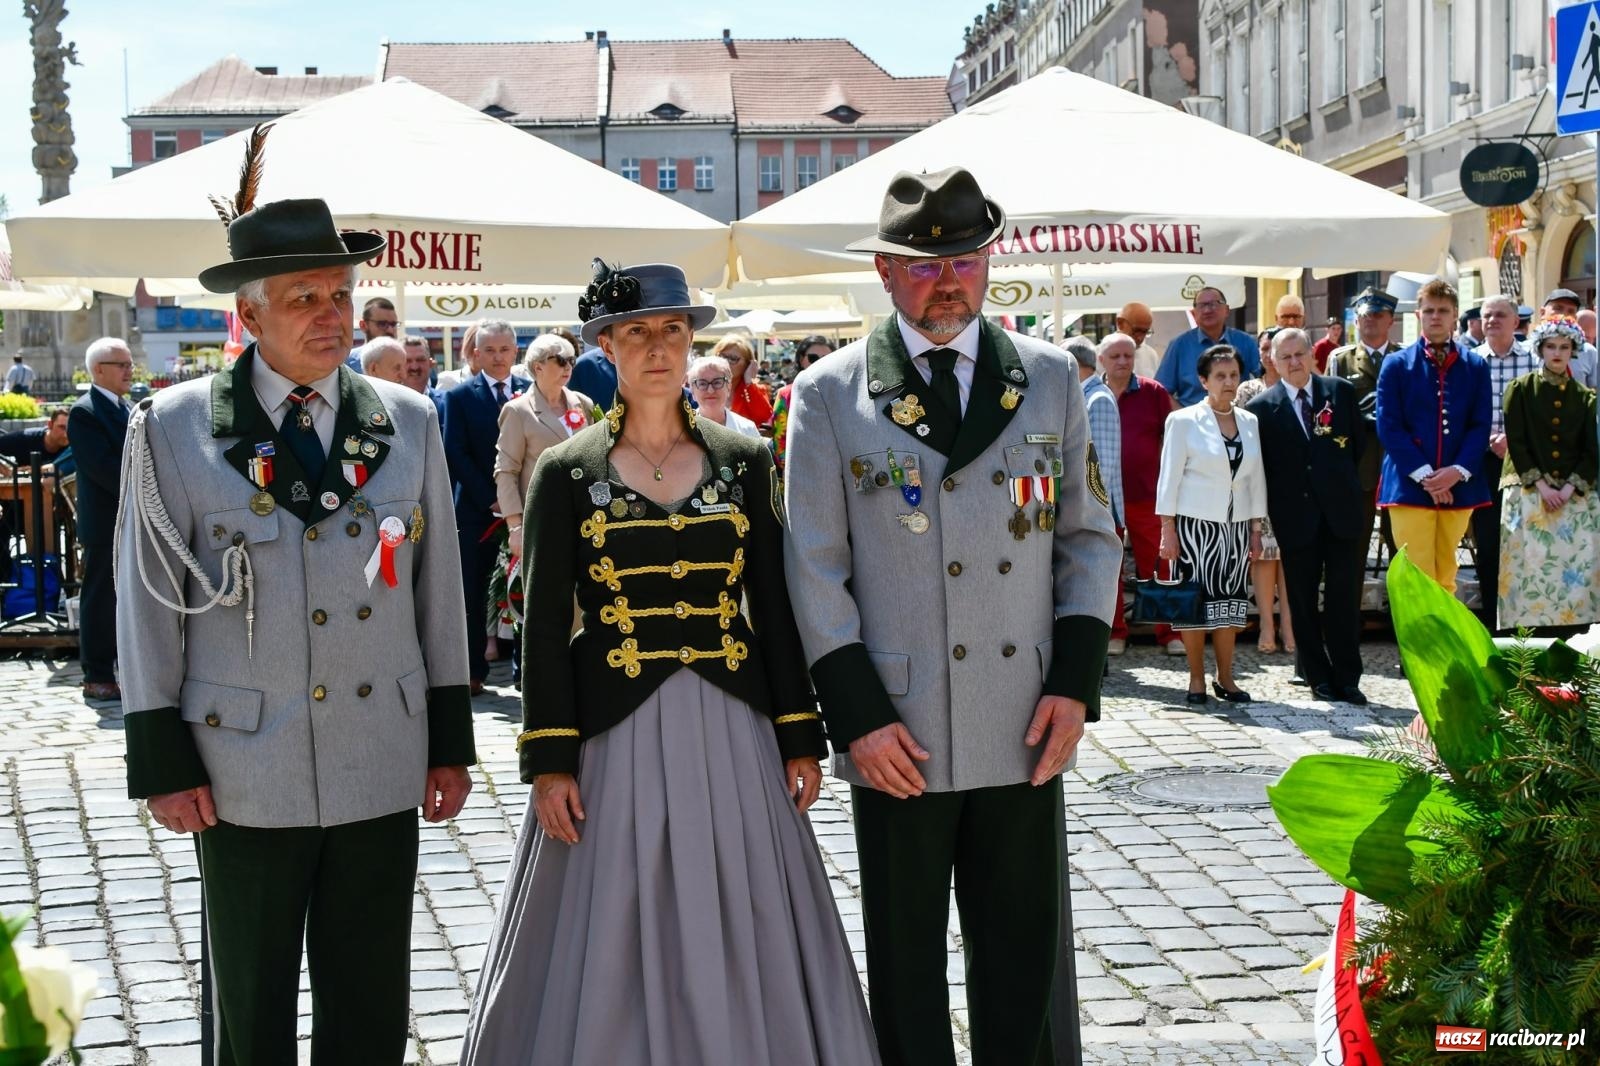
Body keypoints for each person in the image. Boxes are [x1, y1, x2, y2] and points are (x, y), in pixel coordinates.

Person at [461, 261, 878, 1066]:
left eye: (673, 332)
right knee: (614, 911)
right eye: (639, 333)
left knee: (745, 905)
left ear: (691, 345)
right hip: (610, 727)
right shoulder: (566, 470)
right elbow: (542, 626)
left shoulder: (742, 457)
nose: (658, 348)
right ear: (607, 346)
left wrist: (800, 733)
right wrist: (549, 761)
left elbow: (775, 602)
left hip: (733, 724)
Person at [117, 191, 474, 1065]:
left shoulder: (408, 420)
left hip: (376, 753)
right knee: (252, 1003)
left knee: (369, 1001)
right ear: (249, 314)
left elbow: (439, 594)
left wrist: (449, 738)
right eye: (303, 298)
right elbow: (148, 598)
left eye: (340, 295)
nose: (331, 316)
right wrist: (159, 753)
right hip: (242, 763)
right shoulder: (176, 425)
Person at [784, 166, 1121, 1066]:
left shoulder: (1050, 378)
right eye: (925, 265)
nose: (948, 282)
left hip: (1024, 716)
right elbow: (814, 569)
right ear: (887, 272)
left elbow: (1089, 540)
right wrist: (858, 718)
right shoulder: (828, 394)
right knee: (905, 968)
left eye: (965, 262)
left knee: (1022, 960)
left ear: (990, 263)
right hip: (900, 730)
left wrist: (1074, 690)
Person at [1245, 328, 1368, 703]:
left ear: (1312, 355)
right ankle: (1318, 677)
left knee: (1344, 598)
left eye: (1300, 354)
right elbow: (1261, 468)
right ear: (1274, 362)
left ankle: (1348, 677)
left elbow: (1360, 449)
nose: (1294, 363)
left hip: (1343, 513)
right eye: (1286, 358)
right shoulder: (1261, 409)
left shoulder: (1340, 392)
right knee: (1301, 599)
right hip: (1295, 517)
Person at [1156, 346, 1267, 704]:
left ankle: (1227, 678)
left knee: (1230, 605)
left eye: (1234, 375)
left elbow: (1256, 478)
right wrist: (1167, 529)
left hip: (1235, 528)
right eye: (1220, 376)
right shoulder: (1184, 421)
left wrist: (1255, 528)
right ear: (1204, 381)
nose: (1229, 382)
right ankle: (1196, 680)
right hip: (1193, 528)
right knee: (1195, 606)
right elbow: (1168, 477)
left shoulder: (1249, 422)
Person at [1375, 278, 1493, 592]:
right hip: (1409, 486)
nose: (1435, 316)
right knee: (1417, 575)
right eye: (1429, 310)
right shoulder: (1396, 365)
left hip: (1460, 485)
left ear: (1456, 315)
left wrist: (1456, 472)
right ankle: (1417, 643)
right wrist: (1427, 476)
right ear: (1418, 315)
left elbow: (1480, 424)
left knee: (1447, 576)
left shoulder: (1476, 365)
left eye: (1443, 310)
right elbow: (1389, 425)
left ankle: (1443, 641)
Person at [440, 319, 531, 694]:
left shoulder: (531, 393)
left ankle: (525, 669)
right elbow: (454, 452)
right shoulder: (459, 397)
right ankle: (474, 670)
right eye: (489, 350)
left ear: (515, 352)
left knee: (525, 588)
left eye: (504, 349)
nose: (497, 357)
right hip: (476, 511)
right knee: (474, 593)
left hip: (524, 510)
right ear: (476, 354)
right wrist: (490, 497)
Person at [1497, 314, 1600, 632]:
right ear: (1540, 349)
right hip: (1528, 491)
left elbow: (1590, 450)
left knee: (1574, 573)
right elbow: (1517, 442)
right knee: (1530, 569)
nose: (1557, 353)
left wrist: (1569, 488)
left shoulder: (1585, 397)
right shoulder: (1521, 390)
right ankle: (1525, 645)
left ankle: (1576, 639)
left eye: (1565, 347)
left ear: (1573, 351)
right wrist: (1543, 486)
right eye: (1551, 346)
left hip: (1573, 495)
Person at [1101, 331, 1184, 656]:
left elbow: (1174, 438)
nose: (1123, 361)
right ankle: (1115, 632)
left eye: (1128, 355)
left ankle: (1170, 634)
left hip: (1148, 496)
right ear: (1101, 360)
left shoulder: (1153, 392)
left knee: (1160, 565)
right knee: (1108, 567)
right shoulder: (1091, 392)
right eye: (1116, 356)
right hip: (1103, 496)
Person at [1468, 295, 1540, 630]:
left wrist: (1512, 439)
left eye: (1500, 315)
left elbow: (1539, 409)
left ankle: (1523, 620)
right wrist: (1487, 440)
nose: (1493, 321)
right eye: (1487, 316)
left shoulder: (1533, 359)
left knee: (1522, 540)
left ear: (1516, 322)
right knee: (1487, 541)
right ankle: (1490, 622)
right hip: (1480, 462)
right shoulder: (1470, 361)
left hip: (1523, 462)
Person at [68, 338, 133, 702]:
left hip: (128, 519)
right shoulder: (85, 412)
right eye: (120, 364)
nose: (129, 369)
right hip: (105, 522)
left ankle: (124, 668)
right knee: (101, 598)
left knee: (126, 598)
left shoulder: (126, 407)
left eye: (128, 363)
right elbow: (104, 468)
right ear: (98, 370)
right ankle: (96, 674)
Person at [494, 333, 591, 563]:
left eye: (572, 360)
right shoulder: (518, 410)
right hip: (541, 518)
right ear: (538, 367)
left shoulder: (582, 402)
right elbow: (506, 471)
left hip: (584, 517)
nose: (568, 366)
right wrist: (515, 527)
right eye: (560, 360)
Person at [1329, 286, 1402, 574]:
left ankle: (1401, 611)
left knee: (1400, 541)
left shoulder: (1404, 357)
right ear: (1356, 322)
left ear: (1390, 320)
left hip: (1398, 459)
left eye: (1378, 314)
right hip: (1359, 460)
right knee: (1355, 544)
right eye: (1364, 315)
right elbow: (1331, 412)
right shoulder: (1340, 359)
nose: (1370, 320)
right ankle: (1352, 612)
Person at [1236, 332, 1293, 655]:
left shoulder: (1298, 388)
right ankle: (1268, 625)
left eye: (1276, 349)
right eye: (1266, 348)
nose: (1271, 354)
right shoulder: (1249, 390)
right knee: (1264, 557)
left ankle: (1289, 624)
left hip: (1291, 484)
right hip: (1258, 481)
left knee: (1290, 558)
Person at [1069, 337, 1126, 654]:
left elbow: (1099, 468)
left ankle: (1108, 638)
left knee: (1102, 579)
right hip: (1095, 509)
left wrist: (1088, 510)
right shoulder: (1087, 395)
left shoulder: (1097, 399)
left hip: (1099, 509)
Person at [1156, 287, 1261, 406]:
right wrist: (1183, 416)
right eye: (1201, 305)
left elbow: (1264, 379)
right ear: (1194, 313)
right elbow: (1161, 391)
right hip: (1193, 420)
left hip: (1236, 418)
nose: (1207, 310)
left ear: (1226, 310)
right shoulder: (1179, 345)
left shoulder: (1245, 341)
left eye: (1213, 304)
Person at [771, 335, 833, 473]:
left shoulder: (842, 393)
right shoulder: (786, 394)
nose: (820, 363)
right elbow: (781, 445)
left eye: (827, 358)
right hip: (800, 475)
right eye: (813, 358)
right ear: (801, 360)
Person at [686, 352, 763, 438]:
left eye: (717, 382)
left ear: (728, 387)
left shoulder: (747, 430)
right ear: (692, 391)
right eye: (702, 384)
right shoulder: (681, 430)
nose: (710, 390)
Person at [711, 334, 775, 429]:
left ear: (748, 364)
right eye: (721, 357)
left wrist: (749, 382)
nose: (725, 362)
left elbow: (764, 417)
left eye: (733, 359)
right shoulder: (703, 385)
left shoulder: (754, 390)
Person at [1541, 288, 1600, 388]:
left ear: (1575, 319)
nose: (1564, 315)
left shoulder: (1588, 352)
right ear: (1542, 313)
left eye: (1571, 311)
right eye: (1558, 308)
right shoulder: (1526, 351)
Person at [346, 296, 399, 371]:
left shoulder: (409, 361)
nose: (390, 330)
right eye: (382, 324)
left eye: (393, 324)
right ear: (363, 325)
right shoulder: (346, 364)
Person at [1115, 301, 1161, 379]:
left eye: (1146, 332)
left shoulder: (1151, 355)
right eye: (1137, 331)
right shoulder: (1100, 355)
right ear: (1120, 323)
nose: (1140, 338)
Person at [434, 323, 479, 393]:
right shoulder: (449, 380)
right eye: (489, 349)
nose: (497, 357)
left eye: (502, 349)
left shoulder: (500, 384)